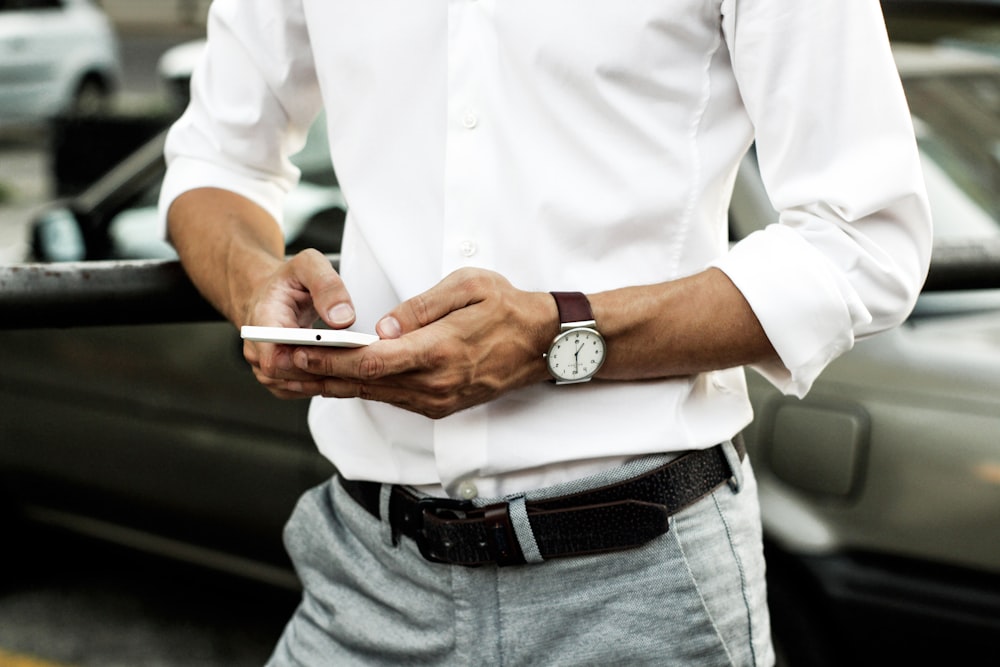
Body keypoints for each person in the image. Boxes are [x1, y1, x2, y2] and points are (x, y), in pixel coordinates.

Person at [159, 1, 932, 665]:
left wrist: (555, 338)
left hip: (642, 588)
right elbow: (216, 159)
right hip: (365, 576)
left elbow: (864, 238)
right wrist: (252, 282)